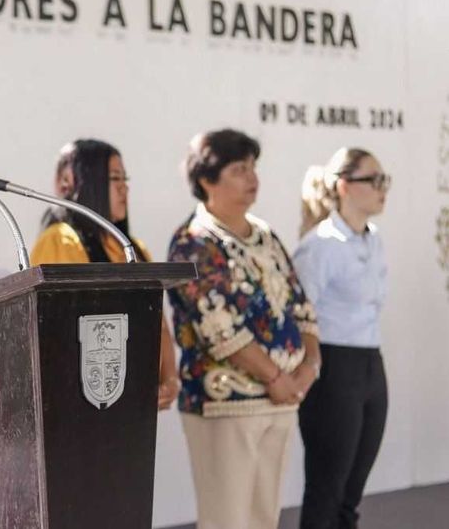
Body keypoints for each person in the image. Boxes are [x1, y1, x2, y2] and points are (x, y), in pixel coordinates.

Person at [166, 129, 321, 529]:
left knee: (263, 518)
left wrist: (309, 367)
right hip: (225, 402)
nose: (252, 178)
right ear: (206, 180)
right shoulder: (193, 242)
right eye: (239, 169)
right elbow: (218, 328)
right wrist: (275, 376)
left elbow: (301, 308)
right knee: (227, 520)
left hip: (283, 397)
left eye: (253, 168)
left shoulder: (266, 235)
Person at [30, 138, 180, 409]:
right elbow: (61, 329)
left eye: (125, 178)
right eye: (113, 178)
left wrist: (169, 378)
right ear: (69, 182)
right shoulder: (62, 240)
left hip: (134, 396)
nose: (125, 187)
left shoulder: (132, 247)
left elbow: (158, 322)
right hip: (81, 400)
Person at [294, 147, 391, 529]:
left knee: (350, 497)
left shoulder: (375, 239)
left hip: (370, 365)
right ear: (345, 186)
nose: (383, 189)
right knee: (326, 490)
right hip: (333, 370)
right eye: (374, 179)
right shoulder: (319, 245)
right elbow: (300, 317)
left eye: (386, 180)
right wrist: (311, 367)